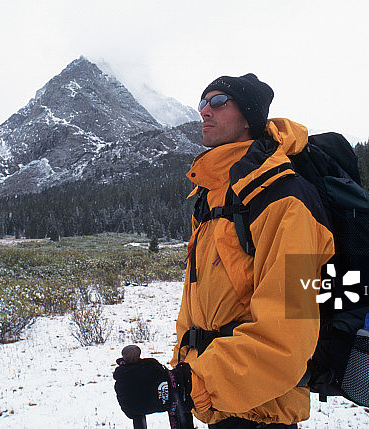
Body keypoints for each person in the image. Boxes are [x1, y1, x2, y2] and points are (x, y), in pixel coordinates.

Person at [114, 74, 335, 428]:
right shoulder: (214, 199)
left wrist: (187, 386)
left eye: (218, 102)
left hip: (263, 412)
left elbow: (289, 336)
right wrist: (180, 376)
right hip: (221, 404)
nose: (204, 111)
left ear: (249, 116)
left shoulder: (287, 201)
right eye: (202, 102)